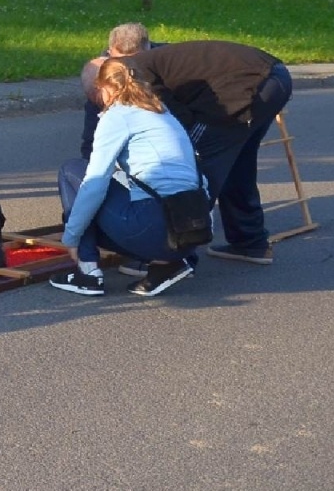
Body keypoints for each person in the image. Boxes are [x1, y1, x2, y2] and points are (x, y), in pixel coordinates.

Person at [118, 40, 293, 265]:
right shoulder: (150, 59)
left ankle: (174, 256)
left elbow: (176, 115)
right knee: (238, 163)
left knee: (192, 167)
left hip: (248, 86)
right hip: (274, 78)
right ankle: (250, 242)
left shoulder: (134, 73)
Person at [50, 59, 206, 298]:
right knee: (129, 194)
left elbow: (94, 184)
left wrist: (71, 237)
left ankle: (88, 272)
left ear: (104, 88)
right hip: (192, 232)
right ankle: (167, 265)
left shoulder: (117, 115)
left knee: (73, 171)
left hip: (156, 229)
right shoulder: (161, 112)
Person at [78, 22, 155, 159]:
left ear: (149, 49)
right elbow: (92, 137)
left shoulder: (170, 63)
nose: (127, 71)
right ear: (110, 51)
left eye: (133, 62)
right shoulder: (103, 71)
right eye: (119, 61)